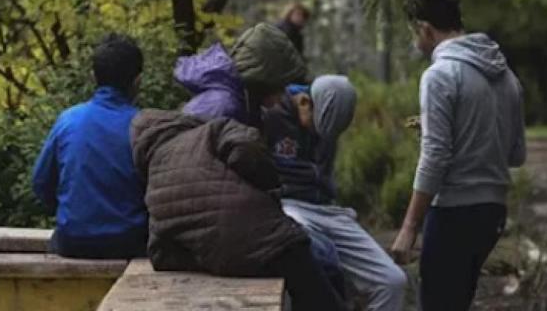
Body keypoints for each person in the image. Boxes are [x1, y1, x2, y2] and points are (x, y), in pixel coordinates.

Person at [137, 23, 343, 311]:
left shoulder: (238, 100)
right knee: (318, 261)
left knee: (320, 257)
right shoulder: (222, 105)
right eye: (279, 85)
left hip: (214, 225)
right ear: (262, 79)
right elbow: (206, 174)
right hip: (219, 229)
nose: (283, 95)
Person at [390, 0, 527, 311]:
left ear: (424, 28)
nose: (414, 40)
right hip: (492, 213)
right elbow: (516, 155)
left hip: (454, 212)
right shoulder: (506, 75)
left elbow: (435, 155)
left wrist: (409, 227)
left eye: (413, 32)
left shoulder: (439, 75)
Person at [264, 76, 407, 311]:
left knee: (392, 281)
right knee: (311, 261)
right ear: (307, 102)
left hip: (327, 209)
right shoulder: (273, 114)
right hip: (287, 206)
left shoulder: (331, 125)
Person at [32, 34, 148, 259]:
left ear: (93, 76)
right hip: (130, 241)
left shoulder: (68, 120)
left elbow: (41, 183)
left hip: (73, 241)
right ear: (138, 81)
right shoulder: (144, 125)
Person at [175, 22, 305, 128]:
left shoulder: (245, 101)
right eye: (279, 88)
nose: (281, 98)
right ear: (263, 81)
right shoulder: (220, 106)